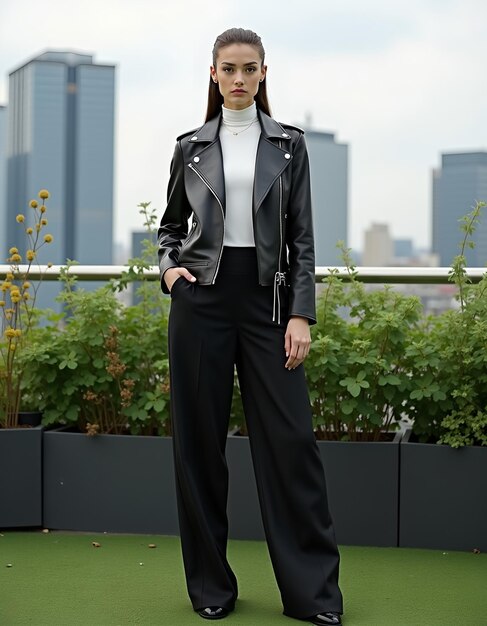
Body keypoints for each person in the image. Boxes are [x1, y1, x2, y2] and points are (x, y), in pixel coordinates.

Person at [158, 27, 344, 625]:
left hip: (268, 303)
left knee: (291, 447)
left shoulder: (290, 146)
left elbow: (305, 238)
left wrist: (300, 312)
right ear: (213, 74)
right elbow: (169, 230)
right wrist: (169, 272)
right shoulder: (190, 147)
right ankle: (211, 587)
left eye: (250, 69)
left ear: (264, 75)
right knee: (199, 449)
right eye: (229, 68)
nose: (239, 79)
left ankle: (313, 596)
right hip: (201, 302)